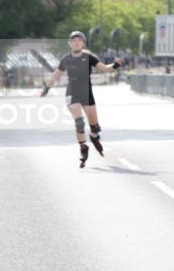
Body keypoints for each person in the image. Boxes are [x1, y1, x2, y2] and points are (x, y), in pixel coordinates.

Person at [41, 31, 123, 168]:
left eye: (79, 40)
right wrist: (46, 89)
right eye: (74, 40)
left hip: (87, 93)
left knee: (94, 127)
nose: (76, 42)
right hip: (72, 92)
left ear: (83, 43)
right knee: (79, 122)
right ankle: (83, 147)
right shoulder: (66, 59)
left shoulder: (89, 57)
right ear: (69, 43)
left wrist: (115, 65)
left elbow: (105, 69)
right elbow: (56, 75)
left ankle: (94, 136)